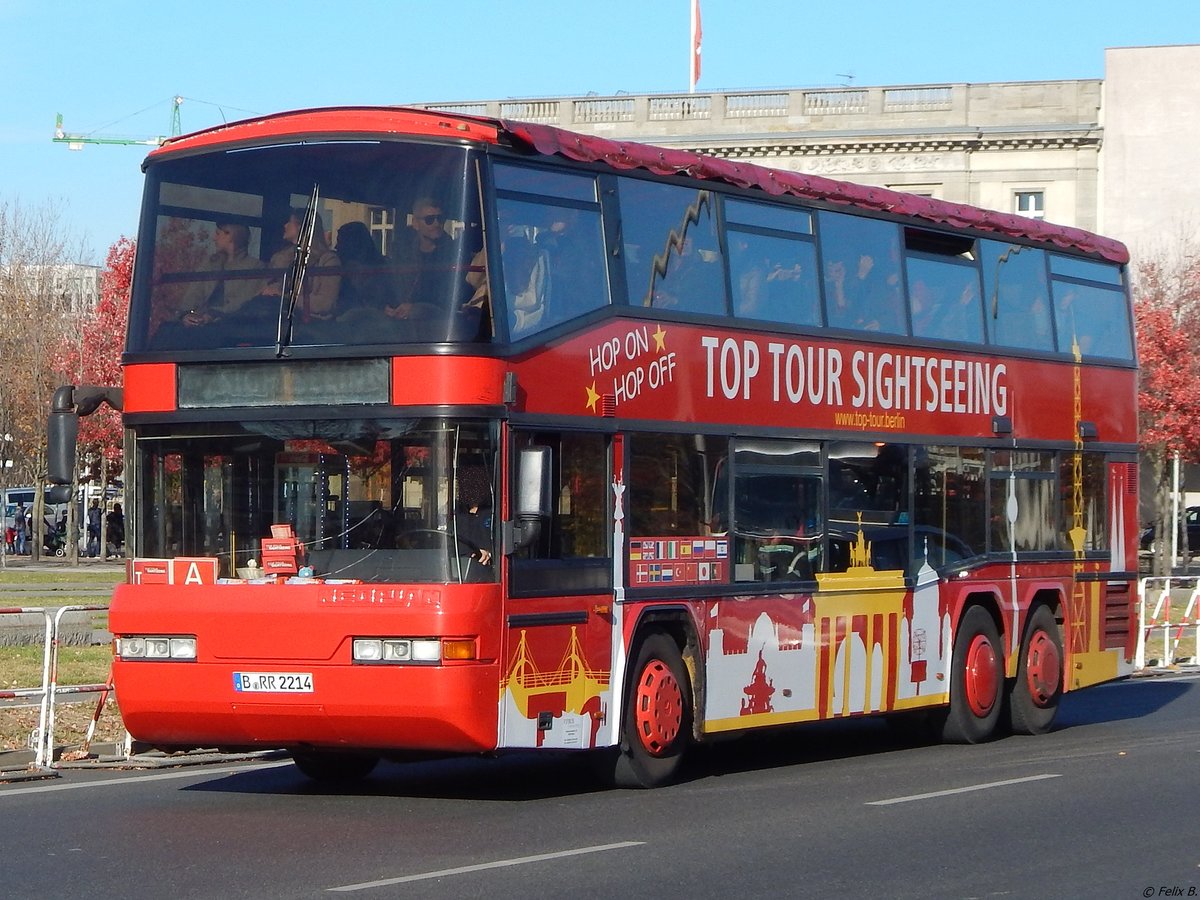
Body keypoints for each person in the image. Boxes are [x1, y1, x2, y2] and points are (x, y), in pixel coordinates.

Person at [386, 197, 461, 320]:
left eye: (440, 218)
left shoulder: (454, 255)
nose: (437, 224)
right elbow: (393, 285)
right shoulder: (403, 255)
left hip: (439, 324)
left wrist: (417, 309)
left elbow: (450, 299)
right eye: (429, 219)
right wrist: (386, 305)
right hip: (401, 323)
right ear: (416, 223)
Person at [177, 222, 266, 326]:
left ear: (230, 236)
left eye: (218, 234)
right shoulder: (210, 264)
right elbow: (194, 293)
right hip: (200, 323)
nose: (214, 238)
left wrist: (214, 314)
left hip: (232, 326)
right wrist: (186, 314)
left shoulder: (255, 266)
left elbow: (244, 300)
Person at [260, 209, 341, 321]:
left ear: (301, 227)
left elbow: (326, 303)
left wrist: (284, 299)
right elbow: (268, 286)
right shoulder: (281, 258)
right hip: (276, 317)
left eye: (289, 222)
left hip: (312, 326)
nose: (285, 225)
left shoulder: (328, 261)